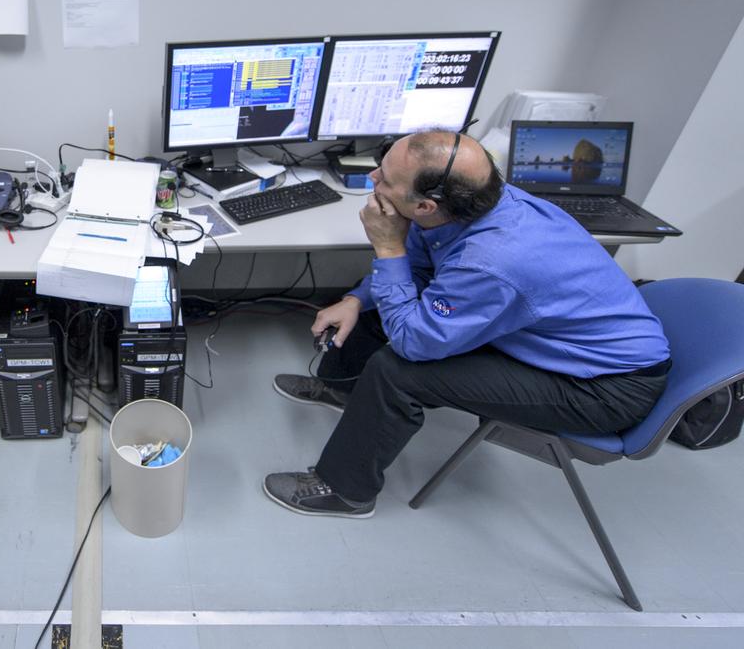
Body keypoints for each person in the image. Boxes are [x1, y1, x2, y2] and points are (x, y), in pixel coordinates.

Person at [265, 130, 670, 518]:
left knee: (397, 371)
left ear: (425, 206)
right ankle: (340, 388)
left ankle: (345, 491)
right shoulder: (471, 205)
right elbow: (415, 269)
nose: (372, 177)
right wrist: (356, 299)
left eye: (384, 178)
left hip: (602, 388)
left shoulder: (491, 260)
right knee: (385, 296)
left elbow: (412, 342)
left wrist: (386, 245)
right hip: (559, 344)